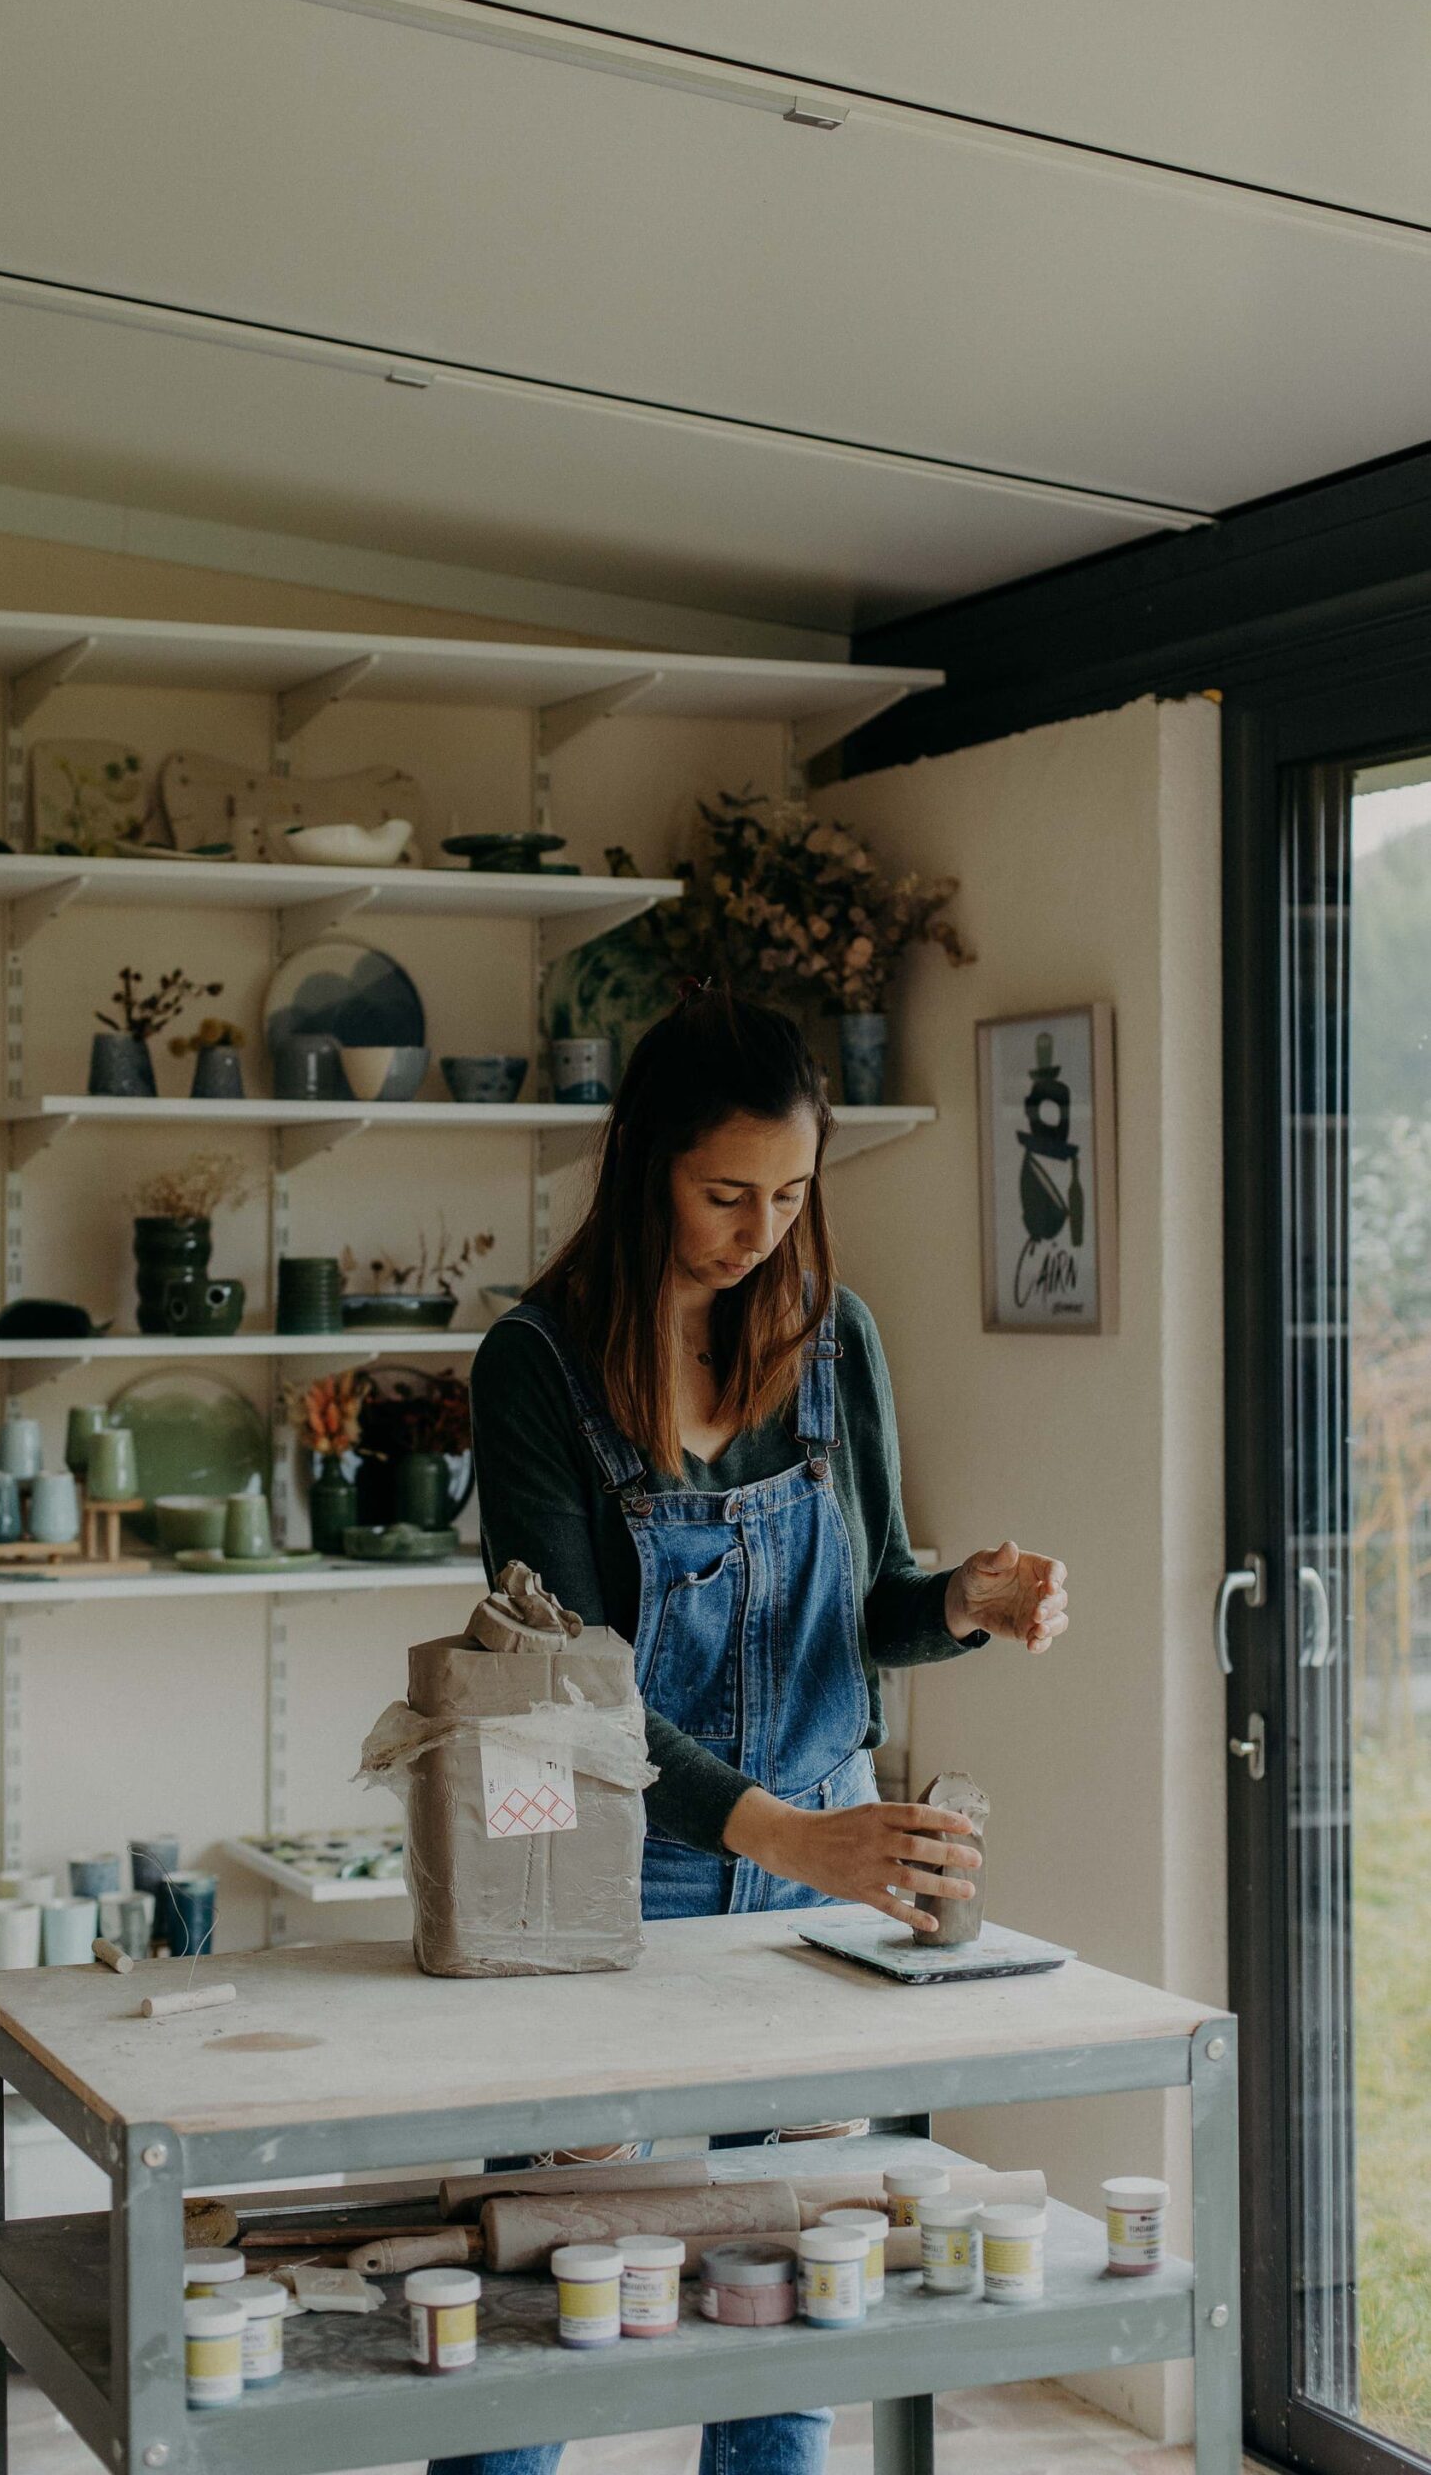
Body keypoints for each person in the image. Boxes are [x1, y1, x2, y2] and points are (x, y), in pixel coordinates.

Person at [432, 983, 1069, 2475]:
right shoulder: (536, 1366)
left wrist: (967, 1598)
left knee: (791, 2313)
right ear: (645, 1162)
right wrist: (797, 1836)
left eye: (790, 1195)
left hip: (813, 1888)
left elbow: (874, 1606)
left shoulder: (834, 1341)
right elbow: (575, 1697)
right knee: (554, 2314)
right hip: (600, 1887)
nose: (759, 1231)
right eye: (726, 1193)